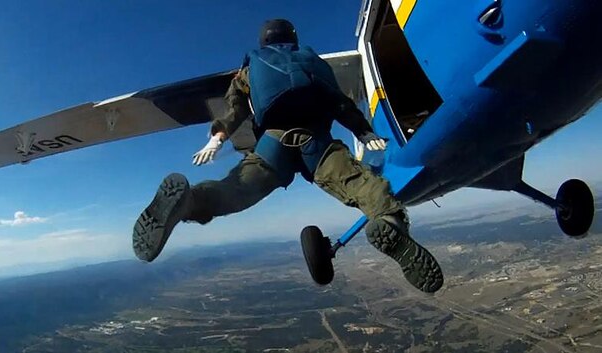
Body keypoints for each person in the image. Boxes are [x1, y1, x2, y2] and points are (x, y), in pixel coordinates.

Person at [132, 19, 443, 293]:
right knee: (363, 185)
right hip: (317, 144)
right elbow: (338, 102)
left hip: (273, 143)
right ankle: (389, 222)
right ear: (292, 38)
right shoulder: (313, 63)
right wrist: (364, 131)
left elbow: (236, 108)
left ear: (263, 40)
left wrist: (218, 138)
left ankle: (190, 202)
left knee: (236, 191)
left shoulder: (249, 70)